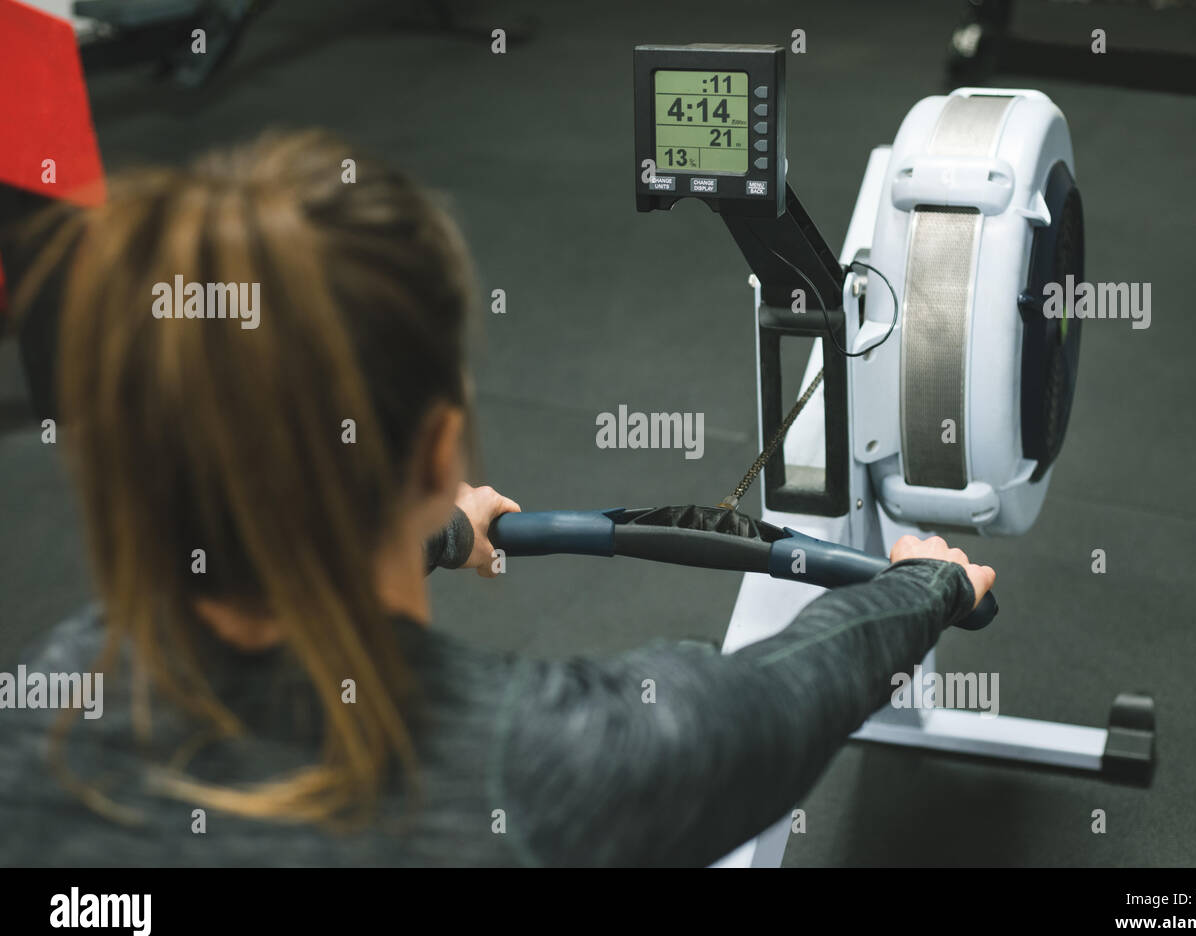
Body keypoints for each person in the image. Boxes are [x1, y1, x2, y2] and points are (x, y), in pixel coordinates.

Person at [0, 130, 994, 867]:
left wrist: (429, 534)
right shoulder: (544, 767)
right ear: (440, 444)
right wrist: (921, 585)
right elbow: (772, 704)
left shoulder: (41, 705)